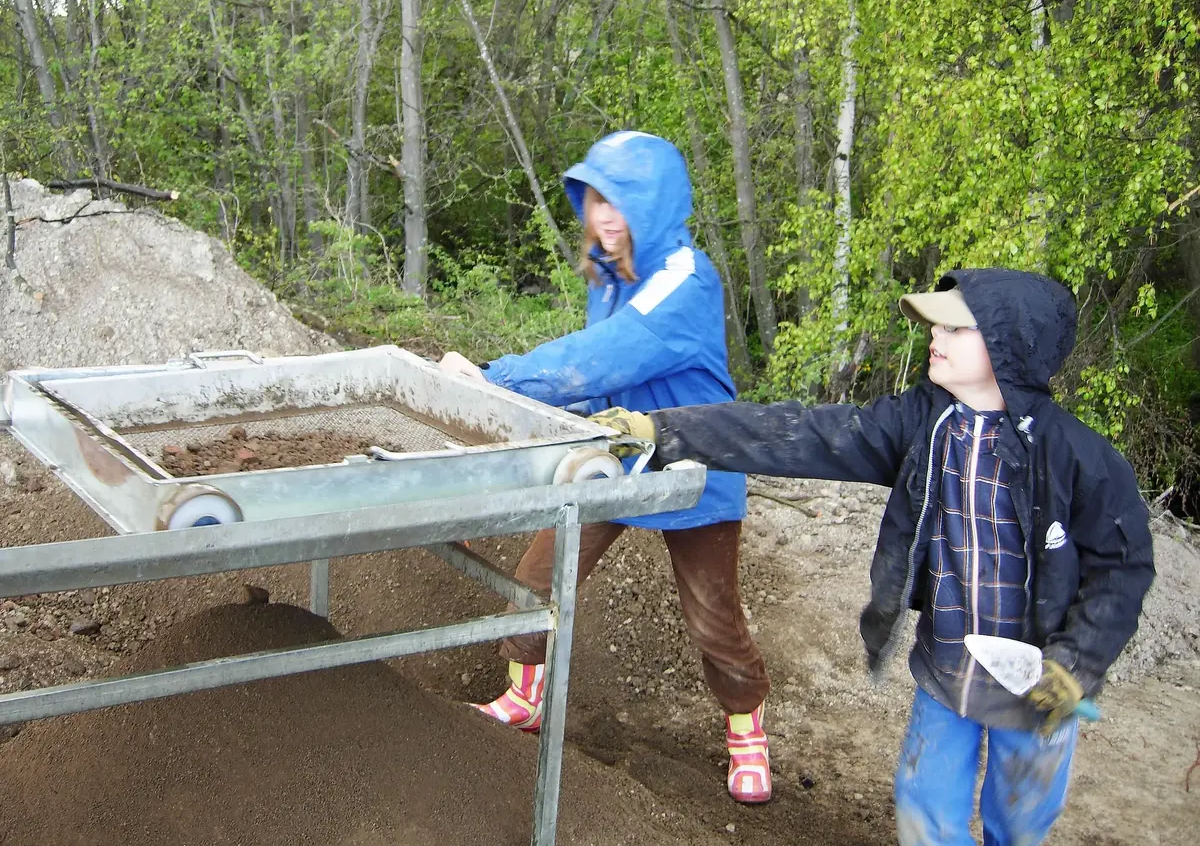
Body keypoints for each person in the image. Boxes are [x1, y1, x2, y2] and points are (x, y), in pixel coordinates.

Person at [593, 268, 1155, 844]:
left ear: (1010, 347)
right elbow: (800, 433)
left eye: (955, 328)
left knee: (1019, 823)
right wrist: (658, 431)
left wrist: (1076, 665)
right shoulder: (919, 425)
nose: (935, 335)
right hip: (947, 672)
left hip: (1040, 687)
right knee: (925, 814)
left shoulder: (1082, 459)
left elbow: (1124, 567)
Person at [438, 130, 772, 804]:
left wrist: (492, 380)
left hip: (695, 461)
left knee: (713, 616)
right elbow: (594, 383)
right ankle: (524, 697)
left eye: (623, 201)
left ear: (658, 206)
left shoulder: (685, 277)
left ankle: (747, 734)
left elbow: (608, 356)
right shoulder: (612, 277)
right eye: (596, 200)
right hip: (619, 454)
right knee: (541, 569)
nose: (606, 217)